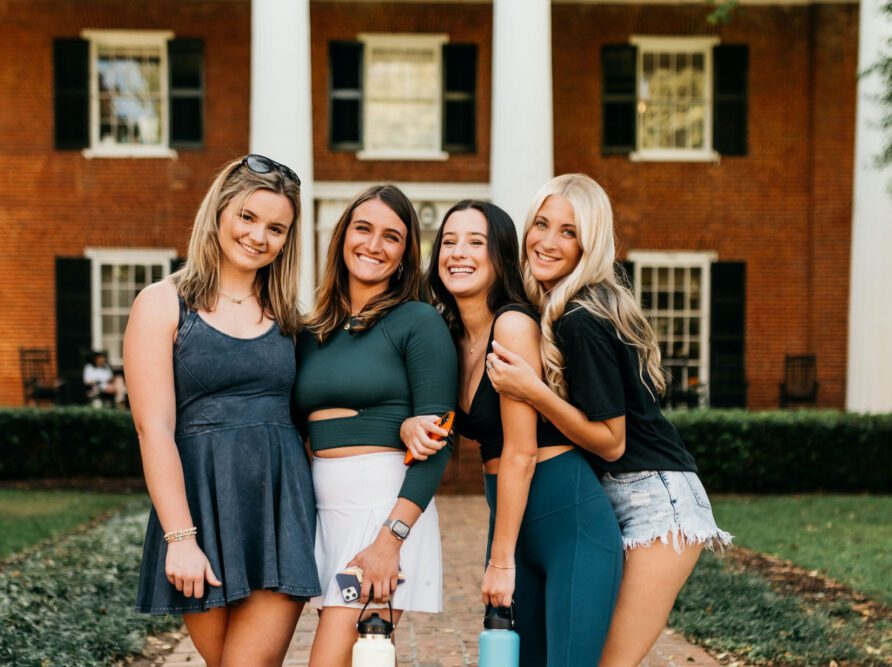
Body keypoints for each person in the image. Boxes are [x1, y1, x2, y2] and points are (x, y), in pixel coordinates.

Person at [485, 173, 733, 667]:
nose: (548, 242)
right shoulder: (560, 310)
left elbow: (612, 441)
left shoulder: (581, 319)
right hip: (616, 499)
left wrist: (532, 391)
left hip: (658, 505)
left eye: (568, 232)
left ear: (588, 244)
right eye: (541, 224)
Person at [405, 200, 623, 666]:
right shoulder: (451, 335)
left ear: (500, 255)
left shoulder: (513, 325)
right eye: (448, 241)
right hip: (510, 518)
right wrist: (410, 423)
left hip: (572, 524)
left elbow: (521, 453)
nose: (458, 252)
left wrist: (499, 561)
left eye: (475, 242)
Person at [124, 155, 320, 667]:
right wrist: (181, 539)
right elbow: (155, 430)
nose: (259, 236)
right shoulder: (163, 303)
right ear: (219, 213)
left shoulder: (289, 318)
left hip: (280, 514)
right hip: (200, 515)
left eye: (277, 228)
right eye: (248, 217)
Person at [293, 185, 457, 667]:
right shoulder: (309, 331)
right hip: (327, 514)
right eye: (363, 229)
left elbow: (438, 441)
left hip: (382, 516)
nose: (373, 245)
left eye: (392, 237)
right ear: (342, 236)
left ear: (406, 254)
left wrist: (391, 539)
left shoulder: (418, 322)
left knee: (335, 660)